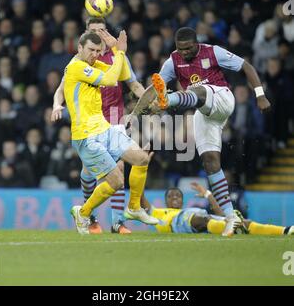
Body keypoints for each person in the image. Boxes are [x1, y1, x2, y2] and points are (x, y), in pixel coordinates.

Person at [132, 26, 271, 236]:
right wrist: (134, 116)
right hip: (203, 113)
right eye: (180, 49)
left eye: (188, 48)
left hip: (222, 98)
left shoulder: (213, 52)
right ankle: (231, 217)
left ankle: (168, 99)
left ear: (196, 43)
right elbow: (153, 88)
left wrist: (260, 95)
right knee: (210, 162)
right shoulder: (173, 60)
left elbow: (247, 66)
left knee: (197, 90)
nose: (184, 52)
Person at [52, 17, 145, 234]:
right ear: (81, 45)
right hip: (87, 132)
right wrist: (57, 104)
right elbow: (110, 80)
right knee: (108, 178)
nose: (95, 53)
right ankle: (86, 214)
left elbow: (127, 78)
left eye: (97, 48)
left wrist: (115, 49)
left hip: (108, 124)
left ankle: (126, 214)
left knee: (135, 161)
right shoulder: (76, 66)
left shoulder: (102, 60)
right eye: (91, 48)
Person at [141, 182, 294, 236]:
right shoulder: (158, 213)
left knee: (243, 223)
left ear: (182, 200)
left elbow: (221, 214)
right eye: (171, 196)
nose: (174, 198)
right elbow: (140, 198)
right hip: (179, 222)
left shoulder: (194, 208)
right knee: (203, 219)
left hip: (206, 221)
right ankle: (232, 227)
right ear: (165, 200)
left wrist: (208, 195)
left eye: (178, 195)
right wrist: (140, 169)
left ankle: (285, 230)